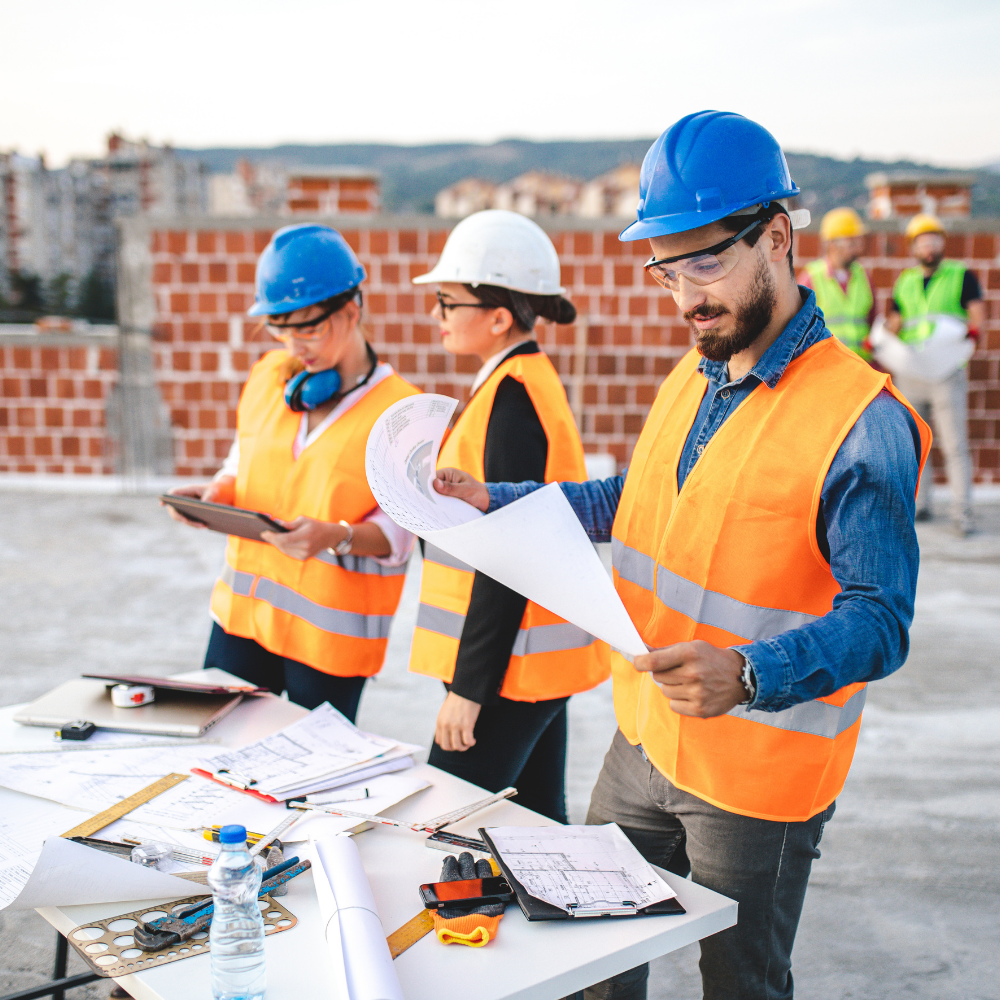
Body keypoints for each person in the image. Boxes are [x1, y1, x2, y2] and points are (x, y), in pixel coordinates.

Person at [432, 112, 931, 999]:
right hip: (644, 734)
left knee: (738, 983)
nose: (685, 294)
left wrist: (747, 672)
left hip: (757, 772)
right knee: (588, 951)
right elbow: (629, 500)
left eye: (707, 260)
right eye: (667, 267)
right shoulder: (693, 372)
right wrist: (495, 499)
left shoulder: (863, 422)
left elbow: (880, 621)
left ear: (777, 237)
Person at [164, 224, 419, 721]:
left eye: (307, 327)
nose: (292, 344)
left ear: (352, 309)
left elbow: (400, 536)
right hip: (243, 620)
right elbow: (243, 459)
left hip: (327, 643)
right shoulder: (269, 376)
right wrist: (215, 494)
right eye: (280, 327)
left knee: (305, 788)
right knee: (218, 758)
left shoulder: (402, 412)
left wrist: (335, 536)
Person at [408, 210, 609, 823]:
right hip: (525, 664)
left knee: (446, 825)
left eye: (447, 301)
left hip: (507, 669)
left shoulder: (515, 394)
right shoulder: (515, 380)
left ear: (497, 318)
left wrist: (471, 689)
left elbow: (510, 550)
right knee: (539, 824)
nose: (436, 314)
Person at [886, 213, 985, 535]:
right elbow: (896, 324)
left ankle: (963, 514)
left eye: (934, 239)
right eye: (923, 241)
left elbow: (977, 318)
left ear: (943, 243)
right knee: (917, 444)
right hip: (913, 373)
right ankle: (921, 505)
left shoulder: (961, 276)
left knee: (955, 445)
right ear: (914, 247)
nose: (929, 246)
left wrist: (971, 334)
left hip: (945, 371)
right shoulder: (905, 281)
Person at [799, 207, 875, 360]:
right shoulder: (812, 277)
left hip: (860, 366)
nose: (858, 248)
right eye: (851, 242)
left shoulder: (863, 276)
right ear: (831, 244)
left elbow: (872, 320)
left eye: (858, 241)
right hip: (826, 367)